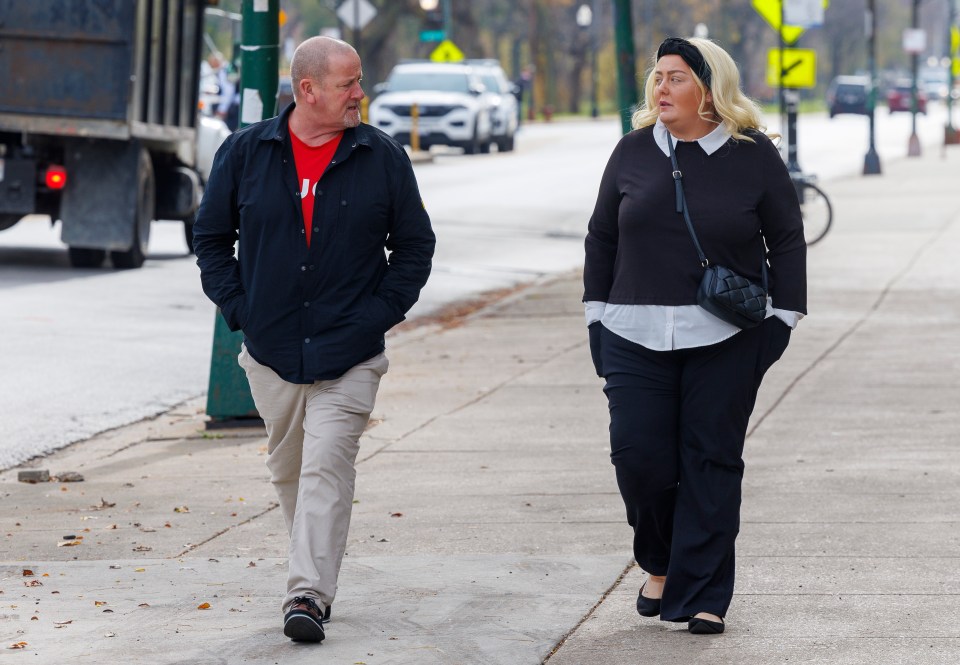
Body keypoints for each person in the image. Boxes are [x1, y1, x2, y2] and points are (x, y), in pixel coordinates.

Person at [192, 36, 435, 643]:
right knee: (291, 470)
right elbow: (211, 239)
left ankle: (306, 593)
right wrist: (240, 307)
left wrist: (377, 314)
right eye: (349, 83)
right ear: (307, 90)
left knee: (327, 464)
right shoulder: (245, 154)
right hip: (271, 352)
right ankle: (315, 567)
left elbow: (414, 247)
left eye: (359, 82)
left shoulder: (382, 158)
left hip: (350, 352)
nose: (361, 94)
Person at [582, 37, 806, 635]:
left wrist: (783, 319)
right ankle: (658, 561)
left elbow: (785, 238)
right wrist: (595, 318)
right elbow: (602, 236)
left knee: (710, 460)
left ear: (710, 89)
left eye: (676, 78)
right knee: (639, 459)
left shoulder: (752, 155)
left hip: (727, 335)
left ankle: (702, 594)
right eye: (657, 77)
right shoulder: (631, 151)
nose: (660, 88)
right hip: (631, 333)